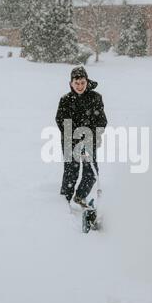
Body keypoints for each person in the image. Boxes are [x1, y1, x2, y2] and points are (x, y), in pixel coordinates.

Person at [55, 66, 107, 206]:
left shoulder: (95, 98)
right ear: (71, 83)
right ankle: (64, 200)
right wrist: (77, 141)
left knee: (91, 173)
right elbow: (62, 121)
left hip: (90, 140)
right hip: (70, 141)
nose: (80, 86)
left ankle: (80, 196)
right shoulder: (65, 100)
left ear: (87, 81)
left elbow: (101, 121)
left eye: (82, 83)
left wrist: (90, 138)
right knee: (71, 172)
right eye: (76, 83)